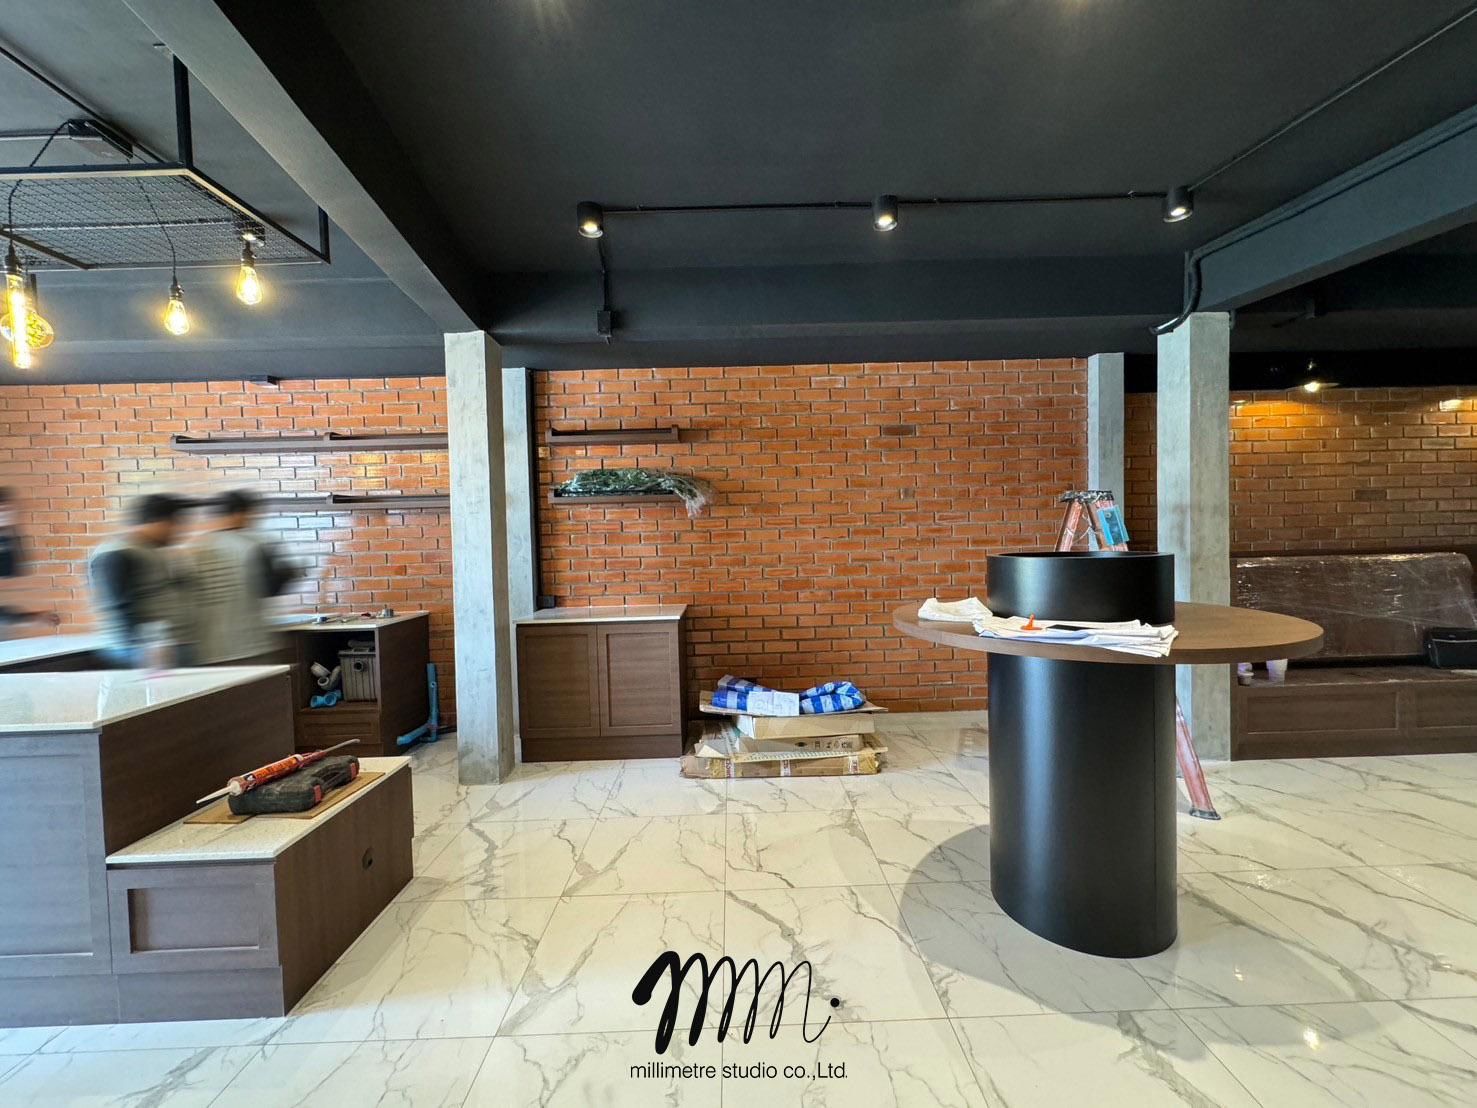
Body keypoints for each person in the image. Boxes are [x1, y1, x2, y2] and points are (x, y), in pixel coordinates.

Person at [186, 490, 298, 665]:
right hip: (250, 642)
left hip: (209, 648)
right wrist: (288, 574)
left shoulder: (197, 549)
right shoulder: (253, 545)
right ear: (240, 513)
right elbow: (269, 588)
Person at [87, 493, 191, 666]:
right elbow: (120, 605)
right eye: (175, 524)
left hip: (160, 647)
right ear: (160, 521)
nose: (178, 532)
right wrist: (150, 647)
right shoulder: (117, 552)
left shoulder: (148, 550)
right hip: (139, 652)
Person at [0, 486, 59, 633]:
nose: (5, 514)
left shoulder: (11, 537)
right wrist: (30, 619)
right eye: (1, 510)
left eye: (7, 509)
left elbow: (15, 571)